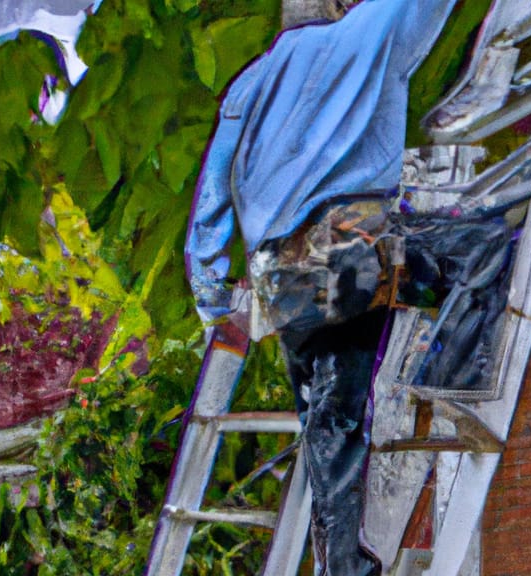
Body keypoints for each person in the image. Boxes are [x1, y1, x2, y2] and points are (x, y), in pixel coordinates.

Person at [184, 2, 455, 573]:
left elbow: (210, 204)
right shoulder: (365, 32)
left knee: (325, 423)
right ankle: (466, 377)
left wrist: (212, 303)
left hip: (280, 278)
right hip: (349, 254)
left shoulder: (248, 83)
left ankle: (341, 563)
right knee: (477, 253)